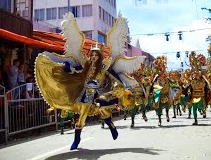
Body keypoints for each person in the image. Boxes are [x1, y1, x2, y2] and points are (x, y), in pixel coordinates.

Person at [34, 12, 145, 150]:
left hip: (99, 92)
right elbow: (77, 71)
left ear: (99, 56)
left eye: (95, 55)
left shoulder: (105, 65)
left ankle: (111, 127)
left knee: (104, 111)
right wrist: (67, 68)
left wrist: (119, 86)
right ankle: (76, 141)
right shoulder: (85, 64)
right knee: (82, 116)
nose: (93, 56)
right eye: (92, 54)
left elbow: (112, 76)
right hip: (85, 93)